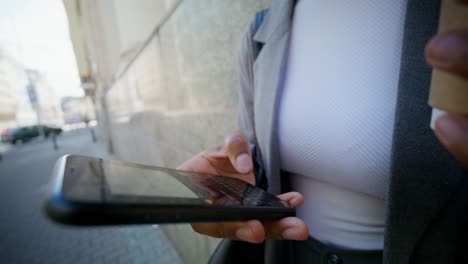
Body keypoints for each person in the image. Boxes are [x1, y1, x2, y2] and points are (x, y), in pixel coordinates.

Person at [179, 0, 468, 263]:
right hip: (288, 254)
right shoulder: (261, 30)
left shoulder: (455, 18)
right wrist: (236, 183)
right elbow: (252, 150)